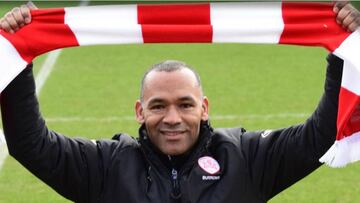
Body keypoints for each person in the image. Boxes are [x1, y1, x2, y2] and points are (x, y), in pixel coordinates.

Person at [1, 2, 360, 203]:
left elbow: (321, 136)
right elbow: (30, 146)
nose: (172, 117)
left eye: (185, 104)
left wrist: (342, 52)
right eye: (158, 106)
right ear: (140, 112)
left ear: (204, 108)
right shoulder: (105, 167)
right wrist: (18, 56)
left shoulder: (248, 159)